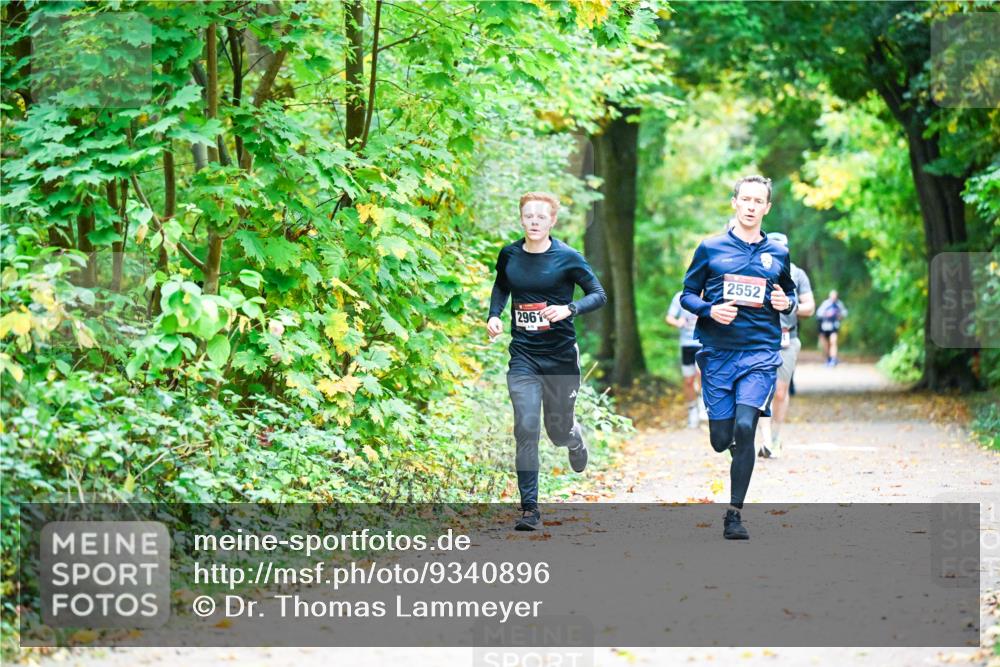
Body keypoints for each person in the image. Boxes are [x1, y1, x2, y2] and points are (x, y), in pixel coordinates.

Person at [681, 175, 797, 540]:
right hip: (717, 353)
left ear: (767, 208)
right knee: (720, 439)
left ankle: (734, 513)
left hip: (761, 352)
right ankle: (728, 440)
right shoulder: (710, 248)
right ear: (734, 202)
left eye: (757, 201)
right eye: (744, 199)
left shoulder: (778, 253)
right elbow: (687, 295)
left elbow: (789, 295)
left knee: (746, 428)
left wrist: (786, 303)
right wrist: (710, 311)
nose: (750, 206)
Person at [487, 192, 607, 531]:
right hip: (524, 356)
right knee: (526, 427)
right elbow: (501, 285)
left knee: (556, 430)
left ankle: (573, 437)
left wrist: (569, 309)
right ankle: (530, 510)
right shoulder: (509, 253)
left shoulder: (568, 257)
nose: (535, 222)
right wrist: (495, 315)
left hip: (560, 358)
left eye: (541, 217)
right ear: (522, 219)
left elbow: (599, 294)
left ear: (552, 220)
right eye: (529, 216)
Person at [754, 232, 815, 458]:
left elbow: (810, 307)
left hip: (787, 339)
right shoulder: (756, 270)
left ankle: (776, 437)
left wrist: (789, 305)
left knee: (780, 392)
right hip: (758, 338)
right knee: (759, 390)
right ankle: (765, 440)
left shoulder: (797, 274)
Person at [666, 290, 708, 428]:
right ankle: (692, 410)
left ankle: (703, 404)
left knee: (701, 373)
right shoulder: (680, 296)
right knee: (689, 380)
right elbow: (669, 317)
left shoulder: (710, 293)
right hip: (686, 344)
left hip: (703, 343)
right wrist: (678, 322)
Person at [816, 290, 848, 366]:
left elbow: (845, 313)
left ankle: (833, 359)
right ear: (829, 296)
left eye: (835, 296)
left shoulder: (839, 304)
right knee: (826, 344)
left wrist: (840, 315)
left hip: (834, 326)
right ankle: (828, 359)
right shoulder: (826, 303)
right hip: (825, 327)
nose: (834, 298)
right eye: (832, 296)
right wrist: (826, 314)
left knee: (833, 341)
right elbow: (818, 313)